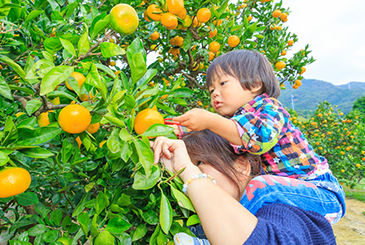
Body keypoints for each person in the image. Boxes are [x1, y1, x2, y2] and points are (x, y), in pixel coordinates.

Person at [173, 50, 345, 225]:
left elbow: (260, 139)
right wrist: (178, 129)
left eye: (223, 83)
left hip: (322, 193)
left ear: (255, 84)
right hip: (288, 193)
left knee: (258, 188)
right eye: (211, 90)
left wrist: (209, 120)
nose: (215, 94)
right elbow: (210, 139)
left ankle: (228, 235)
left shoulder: (269, 108)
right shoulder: (231, 123)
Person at [151, 130, 337, 245]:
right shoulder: (199, 223)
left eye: (199, 163)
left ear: (241, 166)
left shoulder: (283, 211)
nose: (188, 175)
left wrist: (190, 173)